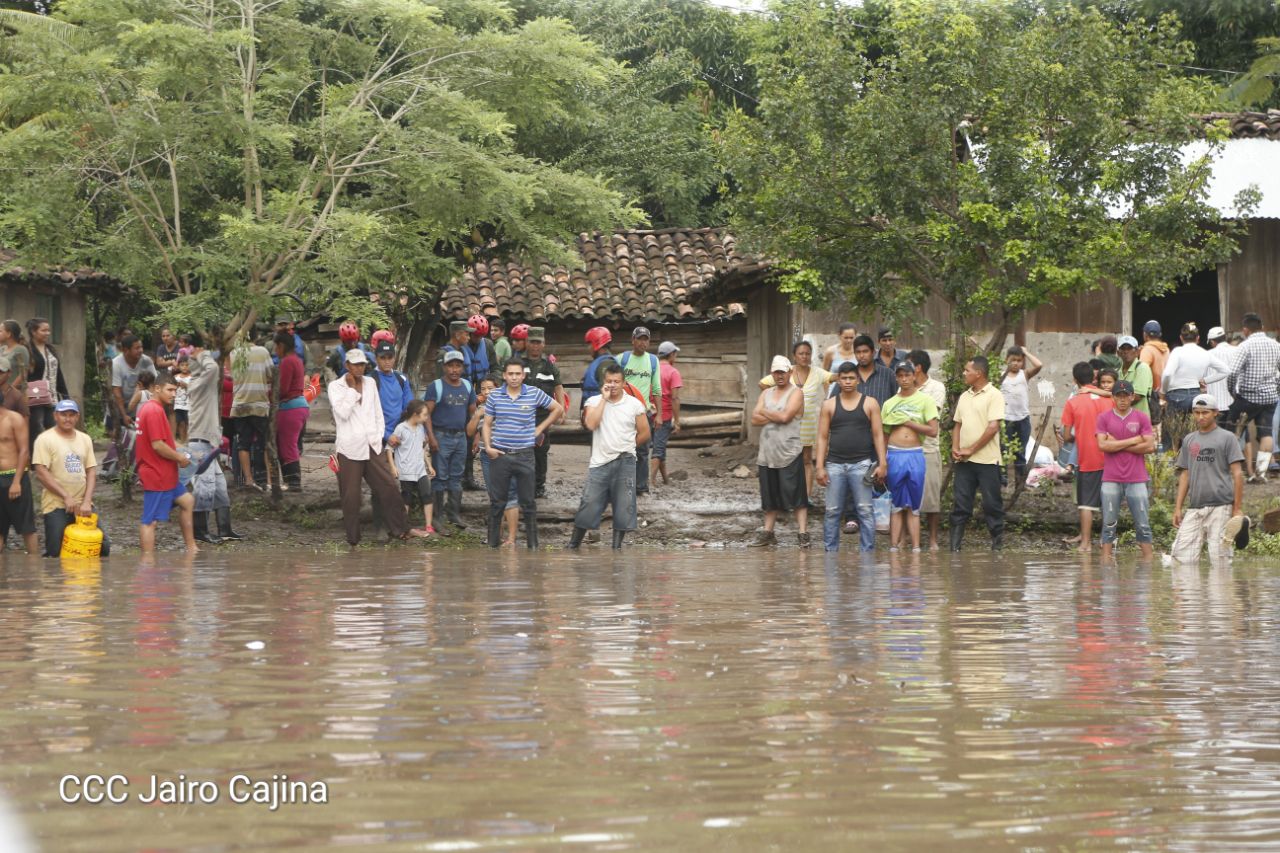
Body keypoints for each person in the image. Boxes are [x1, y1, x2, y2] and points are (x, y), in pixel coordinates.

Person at [328, 349, 420, 547]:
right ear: (347, 365)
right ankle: (353, 539)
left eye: (362, 364)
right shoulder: (336, 386)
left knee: (388, 486)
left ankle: (401, 528)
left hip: (372, 444)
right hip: (349, 447)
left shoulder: (370, 383)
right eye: (355, 364)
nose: (359, 367)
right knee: (351, 496)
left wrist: (378, 436)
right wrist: (352, 390)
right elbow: (342, 413)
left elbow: (378, 412)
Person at [482, 358, 564, 549]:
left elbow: (558, 409)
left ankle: (533, 548)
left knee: (528, 503)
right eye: (510, 374)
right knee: (497, 503)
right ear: (504, 376)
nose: (514, 378)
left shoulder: (533, 393)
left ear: (523, 376)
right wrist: (488, 447)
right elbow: (487, 423)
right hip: (500, 455)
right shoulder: (495, 396)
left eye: (518, 374)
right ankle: (492, 548)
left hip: (525, 455)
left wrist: (540, 429)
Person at [569, 363, 650, 549]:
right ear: (603, 382)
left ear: (623, 383)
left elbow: (645, 433)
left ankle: (616, 548)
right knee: (588, 503)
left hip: (625, 460)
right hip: (600, 461)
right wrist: (604, 400)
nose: (613, 385)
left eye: (616, 381)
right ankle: (573, 544)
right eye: (609, 381)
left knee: (623, 506)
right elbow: (590, 424)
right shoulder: (593, 401)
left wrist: (629, 445)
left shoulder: (634, 404)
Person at [815, 360, 887, 553]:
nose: (847, 381)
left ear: (858, 380)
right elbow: (822, 437)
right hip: (834, 465)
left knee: (865, 510)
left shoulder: (870, 403)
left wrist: (882, 463)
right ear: (838, 380)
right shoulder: (829, 405)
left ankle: (868, 555)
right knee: (832, 512)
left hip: (862, 464)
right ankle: (830, 554)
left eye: (851, 378)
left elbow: (878, 435)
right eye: (844, 378)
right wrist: (819, 466)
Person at [1169, 393, 1247, 563]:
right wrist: (1178, 508)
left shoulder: (1228, 438)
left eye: (1205, 412)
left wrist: (1237, 508)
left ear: (1216, 413)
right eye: (1197, 412)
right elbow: (1185, 474)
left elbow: (1237, 474)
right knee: (1181, 560)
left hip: (1221, 505)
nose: (1200, 416)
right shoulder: (1190, 439)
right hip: (1195, 506)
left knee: (1220, 560)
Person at [33, 399, 110, 557]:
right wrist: (66, 497)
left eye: (71, 415)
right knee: (55, 553)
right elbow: (40, 472)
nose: (68, 419)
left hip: (83, 504)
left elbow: (91, 471)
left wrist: (87, 500)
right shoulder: (45, 439)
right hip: (56, 504)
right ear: (55, 416)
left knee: (103, 547)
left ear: (77, 417)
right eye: (63, 415)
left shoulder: (85, 439)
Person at [185, 332, 242, 544]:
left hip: (207, 440)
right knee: (205, 485)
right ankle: (200, 530)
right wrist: (202, 353)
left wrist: (201, 354)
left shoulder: (201, 381)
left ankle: (225, 528)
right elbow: (213, 367)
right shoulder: (199, 382)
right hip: (200, 441)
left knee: (219, 485)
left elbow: (210, 367)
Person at [749, 355, 810, 547]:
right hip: (767, 453)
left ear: (790, 372)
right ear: (772, 373)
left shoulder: (796, 393)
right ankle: (768, 532)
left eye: (783, 372)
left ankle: (803, 533)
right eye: (776, 372)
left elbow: (785, 417)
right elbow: (753, 419)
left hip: (789, 451)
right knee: (769, 495)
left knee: (797, 494)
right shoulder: (766, 393)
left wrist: (765, 412)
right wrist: (774, 415)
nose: (779, 376)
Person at [760, 339, 833, 498]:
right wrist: (777, 399)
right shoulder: (785, 372)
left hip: (808, 424)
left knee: (807, 459)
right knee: (787, 460)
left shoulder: (818, 372)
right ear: (794, 356)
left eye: (807, 353)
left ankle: (805, 498)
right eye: (801, 354)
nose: (804, 357)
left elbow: (834, 377)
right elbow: (763, 383)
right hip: (787, 424)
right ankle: (786, 496)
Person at [881, 361, 940, 552]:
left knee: (914, 505)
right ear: (896, 378)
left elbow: (932, 431)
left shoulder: (926, 400)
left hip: (915, 454)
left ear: (914, 375)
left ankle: (915, 549)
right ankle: (894, 548)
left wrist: (908, 422)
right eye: (900, 375)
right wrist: (882, 461)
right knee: (896, 504)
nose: (904, 379)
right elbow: (883, 435)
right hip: (895, 454)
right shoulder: (889, 403)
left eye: (907, 375)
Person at [135, 372, 196, 554]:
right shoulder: (153, 410)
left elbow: (167, 440)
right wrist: (179, 458)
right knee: (149, 522)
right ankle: (147, 562)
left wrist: (187, 450)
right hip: (157, 474)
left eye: (175, 391)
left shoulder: (152, 409)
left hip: (166, 474)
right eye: (169, 390)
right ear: (157, 388)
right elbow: (158, 445)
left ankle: (192, 549)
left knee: (187, 501)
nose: (173, 394)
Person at [949, 356, 1005, 551]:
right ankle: (954, 549)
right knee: (960, 505)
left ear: (978, 373)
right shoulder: (964, 396)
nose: (964, 373)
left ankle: (997, 546)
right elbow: (957, 425)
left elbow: (993, 428)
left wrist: (970, 450)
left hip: (987, 461)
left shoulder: (994, 395)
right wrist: (956, 449)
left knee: (992, 505)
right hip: (963, 462)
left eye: (967, 370)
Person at [1096, 380, 1156, 560]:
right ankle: (1106, 561)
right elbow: (1102, 445)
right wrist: (1133, 440)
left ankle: (1148, 561)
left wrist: (1115, 443)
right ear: (1113, 398)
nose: (1122, 400)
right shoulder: (1104, 418)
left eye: (1126, 396)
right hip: (1111, 477)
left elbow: (1150, 446)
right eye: (1118, 396)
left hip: (1137, 478)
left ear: (1132, 397)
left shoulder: (1141, 417)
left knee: (1143, 523)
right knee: (1108, 522)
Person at [1060, 362, 1112, 551]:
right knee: (1109, 501)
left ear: (1075, 379)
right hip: (1110, 457)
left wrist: (1078, 435)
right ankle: (1108, 543)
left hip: (1088, 458)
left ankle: (1085, 543)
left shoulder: (1073, 402)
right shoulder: (1109, 399)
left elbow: (1066, 436)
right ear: (1095, 378)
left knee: (1086, 504)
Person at [1225, 312, 1280, 482]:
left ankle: (1231, 471)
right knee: (1266, 433)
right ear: (1262, 327)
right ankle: (1261, 473)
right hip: (1270, 398)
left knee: (1232, 431)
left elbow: (1233, 372)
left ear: (1245, 330)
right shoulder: (1276, 345)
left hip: (1247, 398)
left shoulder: (1245, 346)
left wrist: (1232, 391)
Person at [424, 350, 476, 529]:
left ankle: (454, 514)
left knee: (456, 477)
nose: (454, 369)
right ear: (444, 367)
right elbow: (426, 414)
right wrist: (431, 437)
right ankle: (438, 517)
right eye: (450, 366)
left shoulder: (468, 386)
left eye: (458, 366)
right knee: (439, 477)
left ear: (462, 367)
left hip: (461, 437)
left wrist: (475, 437)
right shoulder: (436, 386)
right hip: (441, 435)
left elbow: (473, 414)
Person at [468, 376, 519, 544]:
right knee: (495, 497)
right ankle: (497, 537)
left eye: (490, 388)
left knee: (510, 495)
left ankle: (511, 539)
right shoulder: (481, 408)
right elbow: (469, 432)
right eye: (483, 389)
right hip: (486, 456)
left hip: (506, 454)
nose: (487, 392)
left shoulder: (507, 404)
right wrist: (477, 416)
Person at [908, 350, 947, 551]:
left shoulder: (936, 387)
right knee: (906, 497)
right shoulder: (903, 389)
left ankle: (932, 540)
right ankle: (909, 538)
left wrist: (907, 416)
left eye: (908, 366)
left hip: (928, 449)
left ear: (917, 368)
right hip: (906, 449)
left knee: (931, 498)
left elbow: (931, 415)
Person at [521, 327, 564, 498]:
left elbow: (558, 387)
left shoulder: (549, 367)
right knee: (522, 451)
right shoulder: (519, 364)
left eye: (538, 342)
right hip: (522, 416)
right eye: (532, 342)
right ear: (526, 343)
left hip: (542, 417)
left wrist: (561, 410)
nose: (535, 346)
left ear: (544, 344)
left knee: (540, 452)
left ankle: (539, 486)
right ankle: (524, 484)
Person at [620, 326, 661, 496]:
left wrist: (660, 414)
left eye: (646, 339)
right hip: (623, 412)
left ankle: (641, 487)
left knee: (643, 452)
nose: (643, 342)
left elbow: (657, 388)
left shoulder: (652, 360)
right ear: (633, 340)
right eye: (640, 339)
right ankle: (622, 485)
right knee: (622, 449)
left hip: (643, 413)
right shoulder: (622, 359)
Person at [0, 354, 34, 553]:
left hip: (13, 476)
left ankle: (33, 569)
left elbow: (24, 451)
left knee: (27, 528)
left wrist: (16, 481)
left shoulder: (14, 419)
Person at [229, 337, 274, 491]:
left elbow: (232, 376)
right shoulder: (263, 352)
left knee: (244, 443)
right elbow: (271, 374)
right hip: (259, 404)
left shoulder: (234, 353)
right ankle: (269, 481)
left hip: (240, 404)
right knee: (266, 443)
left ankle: (249, 480)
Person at [388, 399, 437, 537]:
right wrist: (393, 467)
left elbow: (420, 449)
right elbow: (389, 449)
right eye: (424, 415)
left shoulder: (421, 428)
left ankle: (428, 525)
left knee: (427, 495)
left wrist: (429, 465)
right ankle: (403, 526)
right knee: (406, 497)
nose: (426, 418)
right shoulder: (401, 428)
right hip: (405, 469)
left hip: (419, 468)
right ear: (415, 414)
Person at [1162, 323, 1230, 414]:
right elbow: (1226, 371)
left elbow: (1167, 374)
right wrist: (1205, 380)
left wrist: (1163, 391)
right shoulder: (1205, 353)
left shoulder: (1177, 352)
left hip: (1176, 395)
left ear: (1181, 337)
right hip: (1196, 395)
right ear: (1198, 338)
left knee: (1175, 427)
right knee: (1195, 427)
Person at [999, 345, 1043, 483]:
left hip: (1022, 419)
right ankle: (1002, 479)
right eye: (1013, 360)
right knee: (1004, 449)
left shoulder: (1024, 374)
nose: (1016, 363)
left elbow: (1039, 364)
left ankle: (1020, 481)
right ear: (1006, 360)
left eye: (1019, 360)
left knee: (1020, 451)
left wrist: (1026, 352)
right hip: (1005, 419)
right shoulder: (1000, 376)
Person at [274, 330, 309, 491]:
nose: (275, 351)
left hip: (290, 408)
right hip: (300, 406)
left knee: (287, 446)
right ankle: (291, 482)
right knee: (290, 445)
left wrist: (270, 392)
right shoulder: (297, 360)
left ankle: (293, 483)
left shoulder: (287, 362)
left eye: (276, 347)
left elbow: (283, 389)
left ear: (281, 346)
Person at [25, 317, 66, 451]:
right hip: (35, 397)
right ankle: (35, 462)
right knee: (36, 427)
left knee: (53, 427)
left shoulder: (50, 349)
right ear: (33, 332)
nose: (47, 333)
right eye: (44, 330)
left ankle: (51, 459)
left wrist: (65, 396)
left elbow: (58, 373)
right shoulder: (27, 349)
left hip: (52, 396)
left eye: (48, 330)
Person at [652, 341, 683, 487]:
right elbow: (675, 398)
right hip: (664, 415)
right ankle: (650, 481)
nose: (676, 356)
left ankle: (665, 479)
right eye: (675, 354)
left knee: (660, 446)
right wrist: (677, 421)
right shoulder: (673, 372)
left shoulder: (652, 369)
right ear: (671, 354)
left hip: (649, 413)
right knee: (658, 449)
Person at [372, 341, 413, 445]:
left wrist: (403, 431)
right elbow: (368, 415)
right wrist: (386, 435)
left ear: (394, 358)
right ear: (376, 359)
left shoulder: (401, 379)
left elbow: (409, 408)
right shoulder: (371, 380)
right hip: (377, 437)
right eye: (383, 358)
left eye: (390, 358)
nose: (387, 361)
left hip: (400, 435)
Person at [111, 335, 156, 429]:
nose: (141, 350)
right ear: (125, 350)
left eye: (141, 347)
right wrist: (124, 415)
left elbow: (156, 383)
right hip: (120, 409)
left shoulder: (146, 361)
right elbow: (117, 392)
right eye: (137, 348)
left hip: (141, 408)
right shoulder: (116, 364)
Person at [580, 326, 617, 409]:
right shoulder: (601, 362)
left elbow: (611, 393)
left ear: (596, 343)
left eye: (589, 344)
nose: (588, 348)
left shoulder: (606, 364)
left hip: (601, 412)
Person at [1116, 335, 1154, 417]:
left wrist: (1114, 399)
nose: (1126, 352)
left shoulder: (1142, 368)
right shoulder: (1117, 371)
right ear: (1118, 352)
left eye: (1129, 348)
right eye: (1123, 348)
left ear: (1137, 351)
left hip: (1139, 419)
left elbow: (1137, 395)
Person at [0, 320, 28, 398]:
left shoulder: (20, 350)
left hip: (13, 395)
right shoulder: (2, 349)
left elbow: (23, 374)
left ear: (9, 334)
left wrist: (9, 391)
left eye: (0, 331)